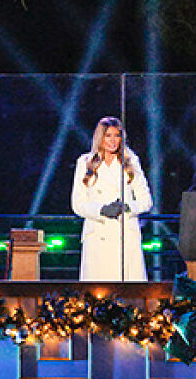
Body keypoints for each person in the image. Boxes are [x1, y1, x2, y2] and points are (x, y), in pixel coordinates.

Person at [71, 116, 153, 281]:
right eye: (108, 135)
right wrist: (101, 210)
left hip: (125, 234)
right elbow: (77, 204)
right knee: (98, 291)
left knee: (128, 290)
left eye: (117, 135)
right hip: (97, 234)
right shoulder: (85, 162)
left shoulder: (131, 161)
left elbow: (146, 200)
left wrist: (128, 208)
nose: (113, 140)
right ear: (99, 137)